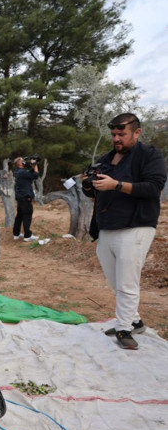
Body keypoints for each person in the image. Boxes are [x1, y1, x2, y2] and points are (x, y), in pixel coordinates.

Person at [81, 113, 166, 350]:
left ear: (137, 133)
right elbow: (95, 191)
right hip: (107, 226)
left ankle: (124, 328)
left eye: (122, 134)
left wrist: (116, 185)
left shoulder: (150, 155)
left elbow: (154, 187)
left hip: (136, 226)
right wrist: (89, 185)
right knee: (114, 279)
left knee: (127, 281)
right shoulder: (107, 158)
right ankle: (134, 320)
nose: (116, 138)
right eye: (114, 135)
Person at [11, 156, 40, 242]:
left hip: (20, 196)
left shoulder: (17, 171)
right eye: (23, 161)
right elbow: (36, 175)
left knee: (19, 215)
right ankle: (27, 236)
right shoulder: (22, 172)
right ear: (20, 163)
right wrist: (34, 165)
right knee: (27, 215)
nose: (25, 162)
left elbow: (29, 173)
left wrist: (33, 165)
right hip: (25, 196)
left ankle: (16, 234)